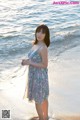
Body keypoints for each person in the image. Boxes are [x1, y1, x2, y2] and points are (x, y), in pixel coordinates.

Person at [21, 24, 50, 120]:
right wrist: (26, 61)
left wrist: (30, 62)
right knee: (43, 97)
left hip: (39, 76)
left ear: (46, 35)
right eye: (38, 31)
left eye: (43, 32)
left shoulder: (43, 48)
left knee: (39, 99)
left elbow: (44, 65)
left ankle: (42, 118)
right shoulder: (35, 44)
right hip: (34, 75)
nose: (40, 34)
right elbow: (33, 59)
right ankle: (45, 117)